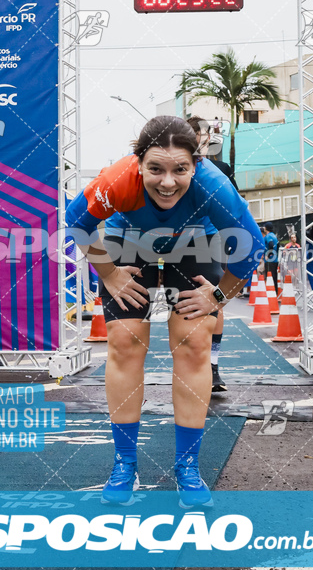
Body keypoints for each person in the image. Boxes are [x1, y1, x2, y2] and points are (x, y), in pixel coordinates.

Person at [66, 116, 263, 508]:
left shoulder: (214, 189)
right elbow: (77, 222)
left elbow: (251, 248)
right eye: (155, 168)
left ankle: (188, 466)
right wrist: (107, 273)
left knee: (194, 343)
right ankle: (124, 463)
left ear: (197, 163)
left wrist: (217, 298)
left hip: (195, 241)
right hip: (130, 238)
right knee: (124, 343)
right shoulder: (117, 180)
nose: (167, 182)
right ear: (138, 161)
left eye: (180, 170)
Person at [187, 116, 234, 393]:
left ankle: (213, 366)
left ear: (208, 136)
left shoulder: (221, 169)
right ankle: (189, 361)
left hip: (212, 238)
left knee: (216, 298)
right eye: (191, 132)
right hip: (176, 240)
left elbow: (235, 209)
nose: (196, 137)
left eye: (201, 132)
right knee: (182, 303)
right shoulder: (175, 166)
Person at [263, 222, 279, 293]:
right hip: (275, 259)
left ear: (266, 228)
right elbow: (278, 246)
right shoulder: (274, 235)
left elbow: (271, 244)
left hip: (270, 260)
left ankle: (271, 292)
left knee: (269, 276)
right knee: (274, 276)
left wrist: (268, 255)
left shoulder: (269, 236)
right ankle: (274, 292)